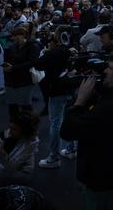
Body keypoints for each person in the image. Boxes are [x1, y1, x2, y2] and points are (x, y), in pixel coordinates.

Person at [60, 50, 113, 210]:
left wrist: (79, 101)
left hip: (103, 182)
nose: (105, 71)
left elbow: (67, 132)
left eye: (110, 68)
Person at [35, 27, 75, 169]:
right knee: (69, 119)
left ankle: (54, 157)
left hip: (56, 90)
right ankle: (71, 149)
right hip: (70, 88)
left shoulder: (53, 53)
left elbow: (37, 64)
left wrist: (46, 52)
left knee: (55, 123)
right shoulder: (70, 50)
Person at [2, 26, 41, 120]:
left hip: (25, 80)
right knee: (12, 106)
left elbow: (32, 62)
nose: (13, 38)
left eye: (15, 35)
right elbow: (9, 59)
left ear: (23, 35)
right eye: (12, 36)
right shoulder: (12, 46)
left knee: (25, 107)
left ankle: (31, 129)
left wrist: (14, 68)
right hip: (11, 81)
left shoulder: (33, 46)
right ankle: (14, 127)